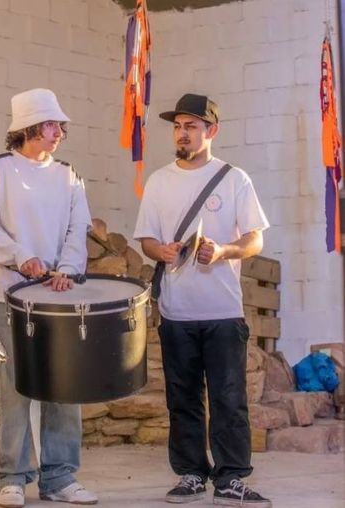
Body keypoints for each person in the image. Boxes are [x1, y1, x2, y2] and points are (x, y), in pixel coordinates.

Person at [133, 94, 272, 507]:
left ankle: (231, 480)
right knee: (182, 398)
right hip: (177, 311)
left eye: (191, 126)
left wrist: (225, 251)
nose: (182, 133)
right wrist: (161, 252)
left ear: (211, 131)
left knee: (230, 399)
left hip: (223, 312)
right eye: (178, 126)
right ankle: (192, 474)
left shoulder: (234, 179)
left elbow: (255, 237)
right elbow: (145, 239)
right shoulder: (158, 181)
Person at [0, 88, 98, 508]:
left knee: (64, 385)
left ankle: (60, 475)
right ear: (28, 128)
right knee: (14, 386)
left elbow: (76, 229)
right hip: (9, 294)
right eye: (51, 124)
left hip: (59, 297)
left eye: (60, 125)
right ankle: (13, 476)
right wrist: (22, 258)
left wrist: (66, 270)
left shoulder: (69, 174)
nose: (60, 131)